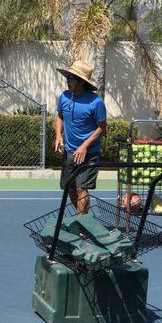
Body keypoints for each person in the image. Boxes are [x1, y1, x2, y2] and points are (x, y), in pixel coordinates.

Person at [54, 59, 106, 214]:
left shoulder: (96, 102)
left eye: (72, 78)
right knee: (70, 189)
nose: (68, 81)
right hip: (70, 152)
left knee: (81, 188)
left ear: (82, 82)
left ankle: (80, 222)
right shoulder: (64, 96)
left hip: (89, 154)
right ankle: (82, 219)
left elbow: (102, 128)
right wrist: (58, 136)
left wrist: (85, 145)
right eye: (68, 77)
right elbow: (60, 116)